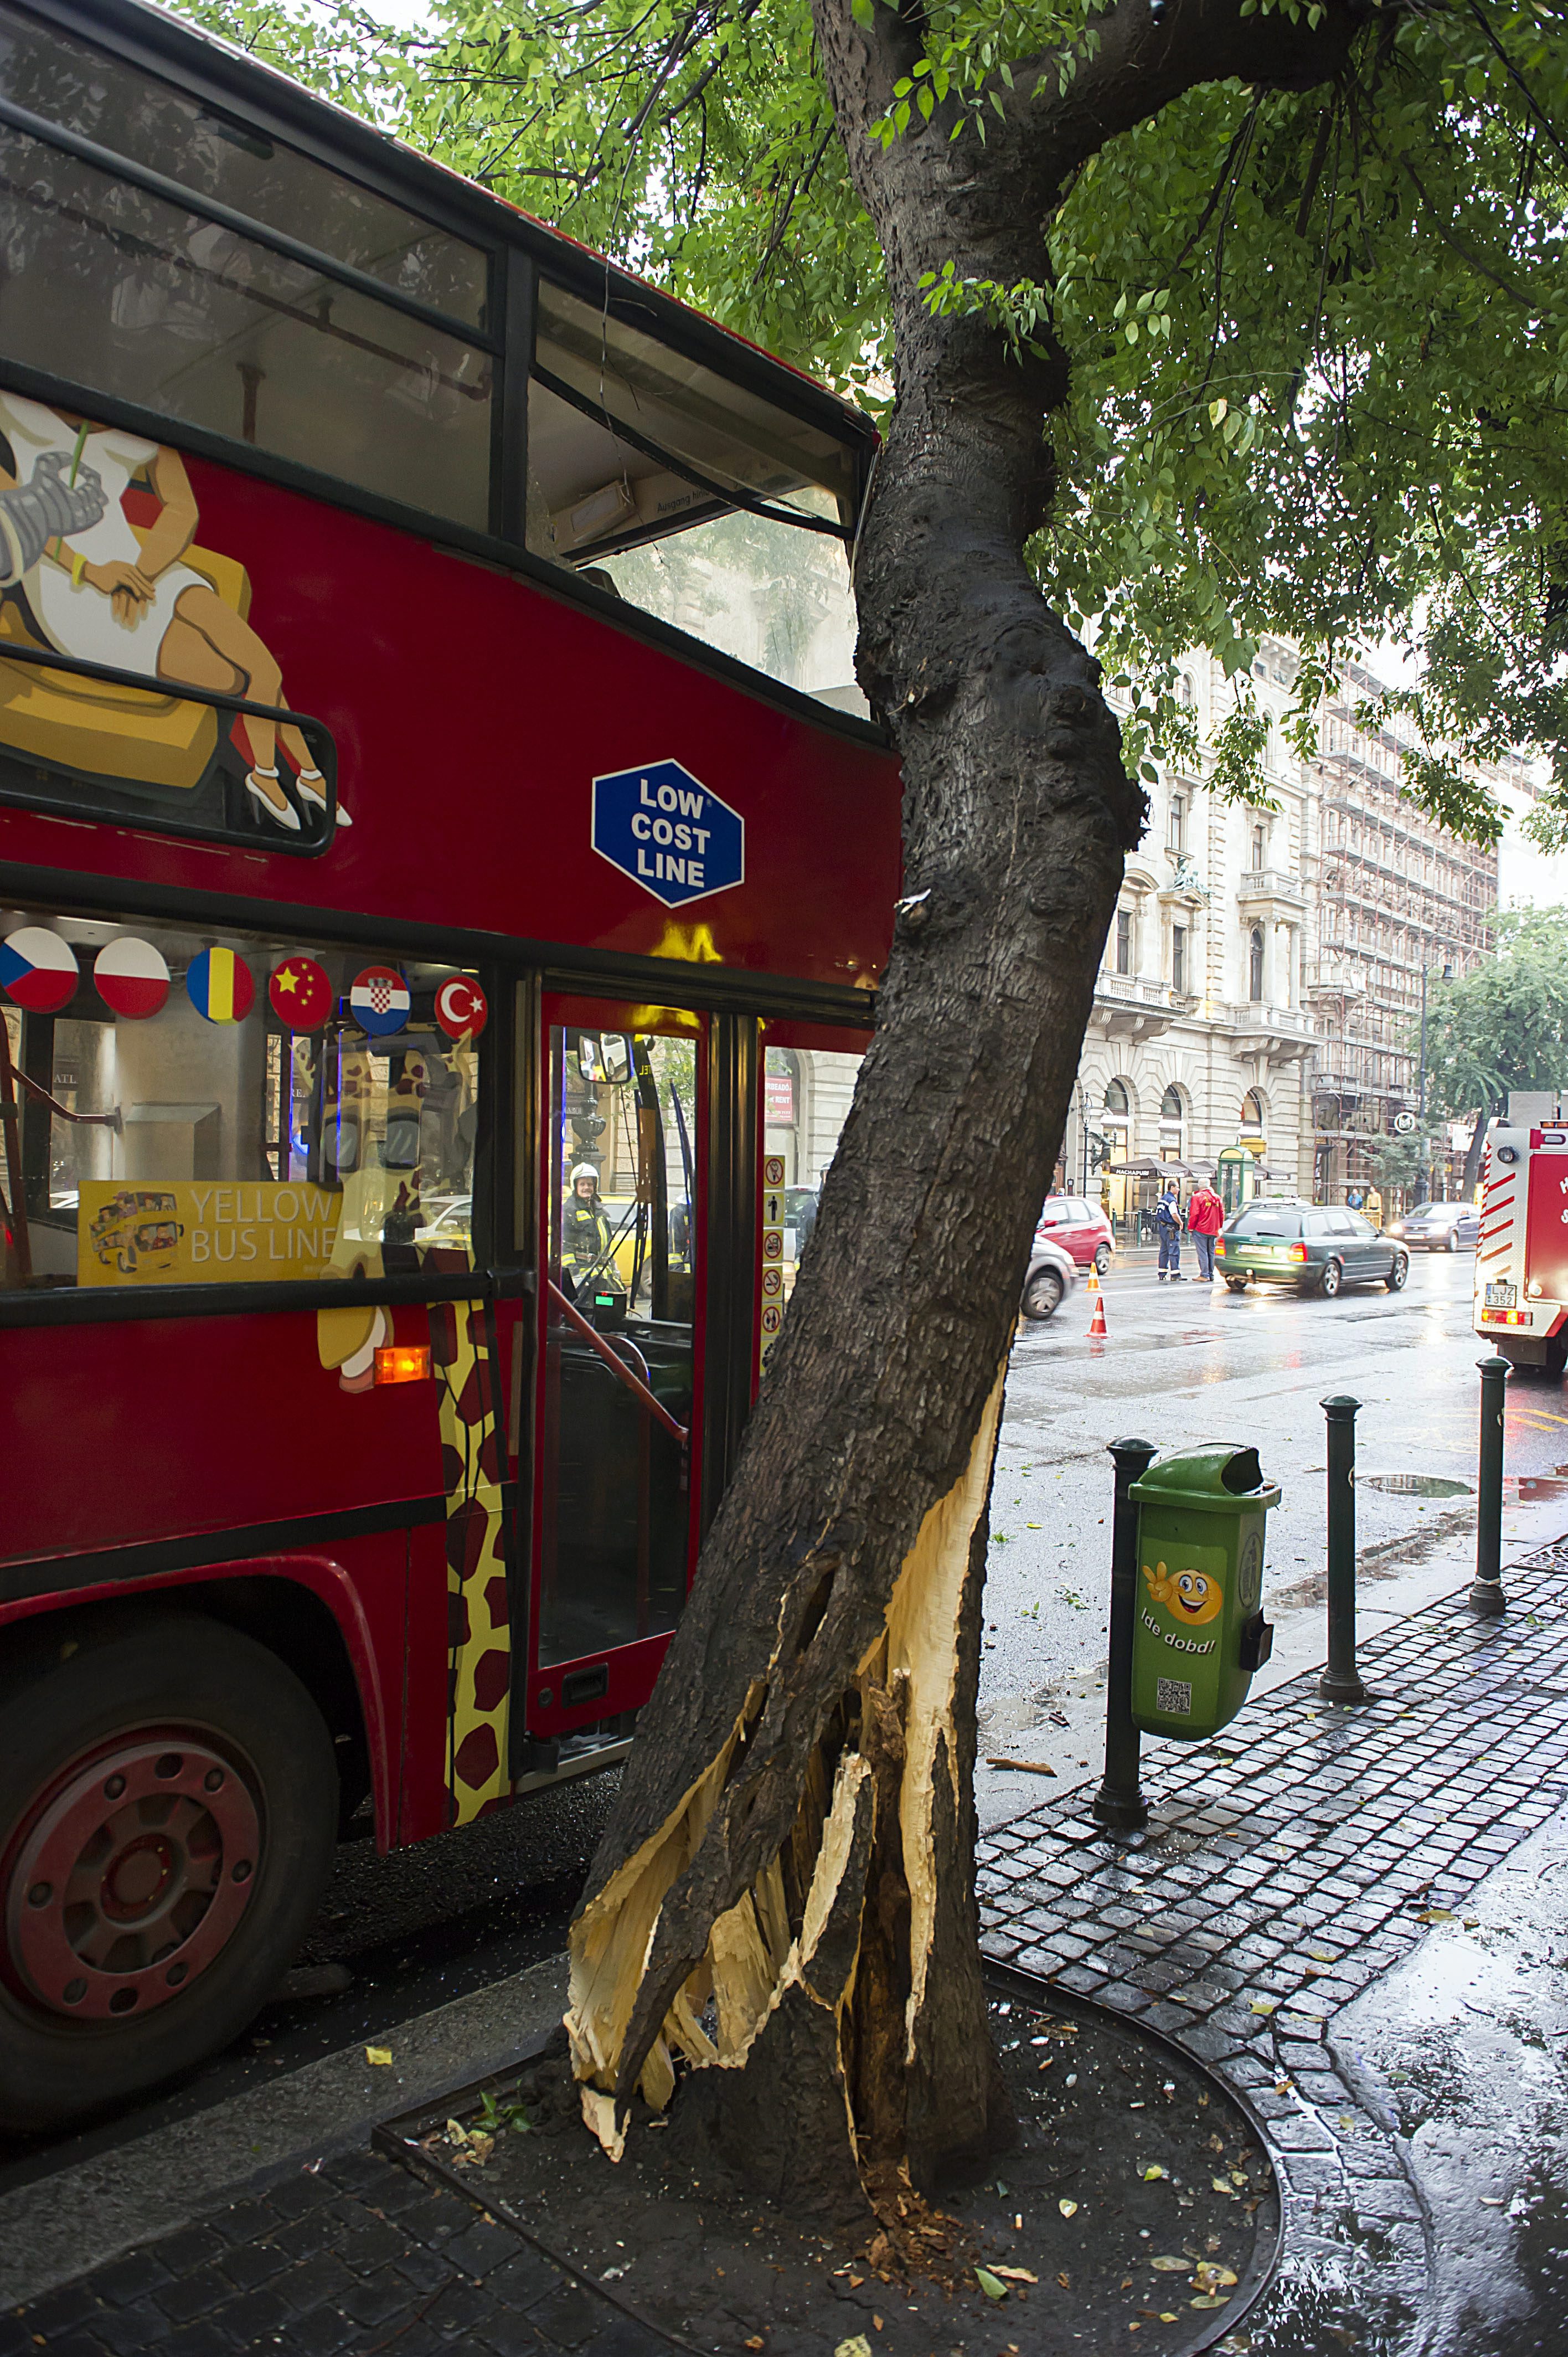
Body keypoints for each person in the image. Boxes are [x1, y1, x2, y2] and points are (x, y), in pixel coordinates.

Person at [0, 393, 348, 831]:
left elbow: (184, 509)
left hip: (147, 566)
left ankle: (274, 775)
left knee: (260, 666)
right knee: (232, 678)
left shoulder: (139, 430)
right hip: (70, 588)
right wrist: (90, 572)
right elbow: (9, 513)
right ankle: (303, 778)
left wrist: (142, 571)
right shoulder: (17, 408)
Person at [563, 1161, 612, 1296]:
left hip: (604, 1274)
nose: (587, 1188)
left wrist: (614, 1269)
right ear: (576, 1186)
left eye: (590, 1184)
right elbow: (565, 1248)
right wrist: (575, 1276)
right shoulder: (569, 1211)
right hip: (584, 1275)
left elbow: (606, 1244)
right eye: (582, 1184)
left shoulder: (599, 1210)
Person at [1186, 1177, 1224, 1281]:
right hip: (1213, 1229)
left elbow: (1194, 1214)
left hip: (1201, 1228)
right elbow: (1221, 1214)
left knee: (1202, 1252)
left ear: (1199, 1186)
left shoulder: (1198, 1197)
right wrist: (1219, 1227)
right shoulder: (1217, 1198)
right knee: (1211, 1252)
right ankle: (1211, 1274)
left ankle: (1204, 1275)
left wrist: (1191, 1227)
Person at [1154, 1182, 1184, 1280]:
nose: (1179, 1190)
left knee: (1164, 1250)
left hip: (1163, 1227)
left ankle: (1162, 1273)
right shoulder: (1171, 1200)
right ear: (1172, 1188)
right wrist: (1181, 1223)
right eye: (1177, 1187)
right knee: (1173, 1250)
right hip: (1170, 1228)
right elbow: (1174, 1214)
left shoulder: (1163, 1199)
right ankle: (1175, 1275)